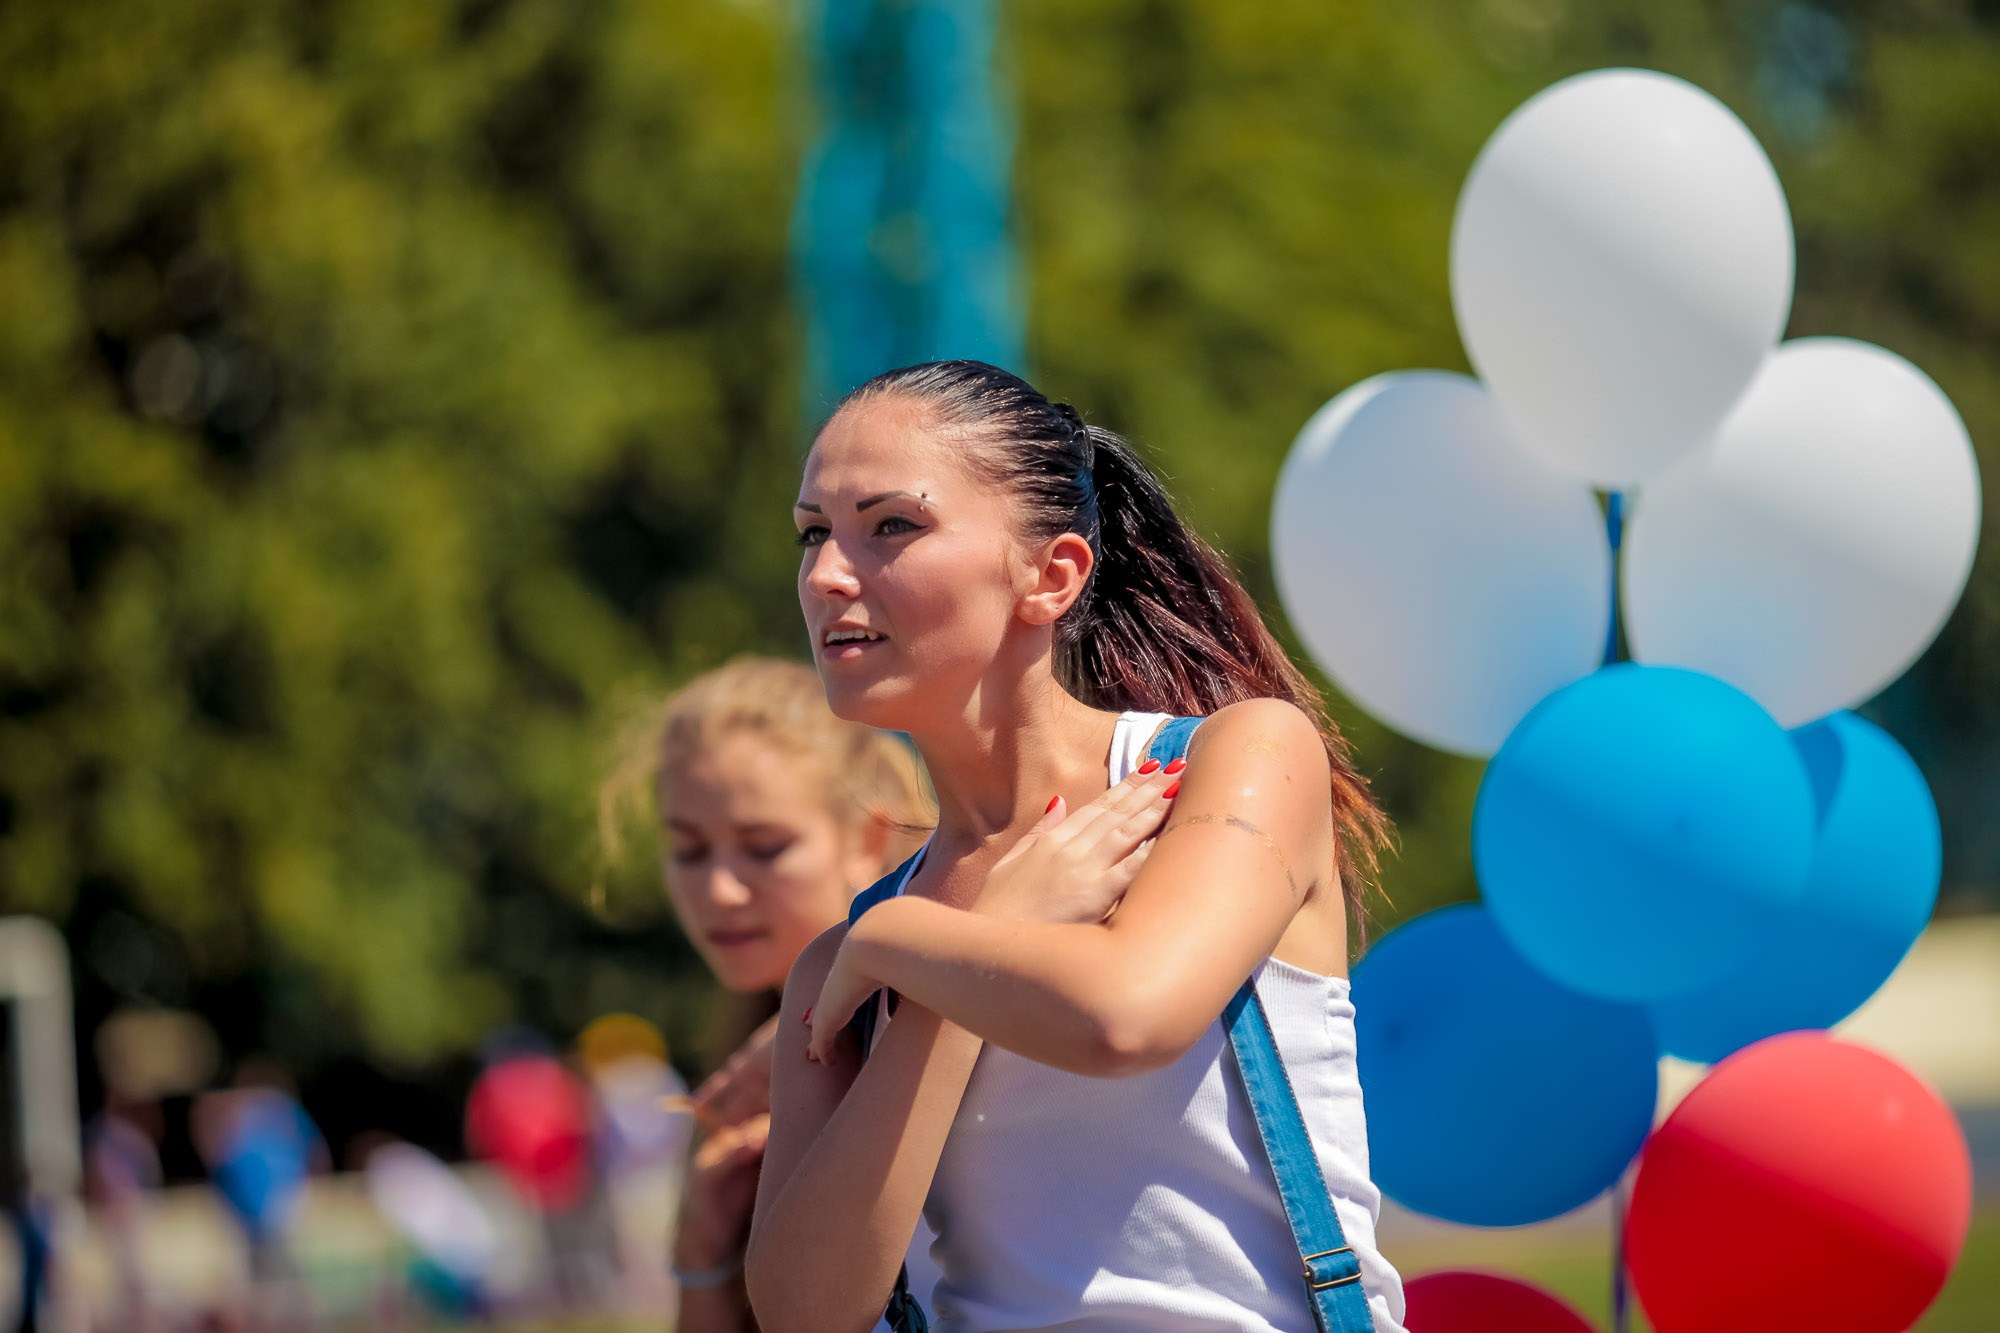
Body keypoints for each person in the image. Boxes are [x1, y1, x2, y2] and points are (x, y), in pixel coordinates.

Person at [746, 361, 1406, 1332]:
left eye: (890, 525)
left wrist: (902, 947)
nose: (827, 574)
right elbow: (804, 1311)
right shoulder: (848, 962)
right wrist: (938, 971)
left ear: (1049, 575)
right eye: (813, 532)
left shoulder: (1233, 761)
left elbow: (1128, 1014)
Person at [597, 657, 933, 1331]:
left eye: (765, 846)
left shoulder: (936, 1012)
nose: (719, 890)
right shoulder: (736, 1076)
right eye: (689, 851)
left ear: (868, 836)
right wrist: (700, 1250)